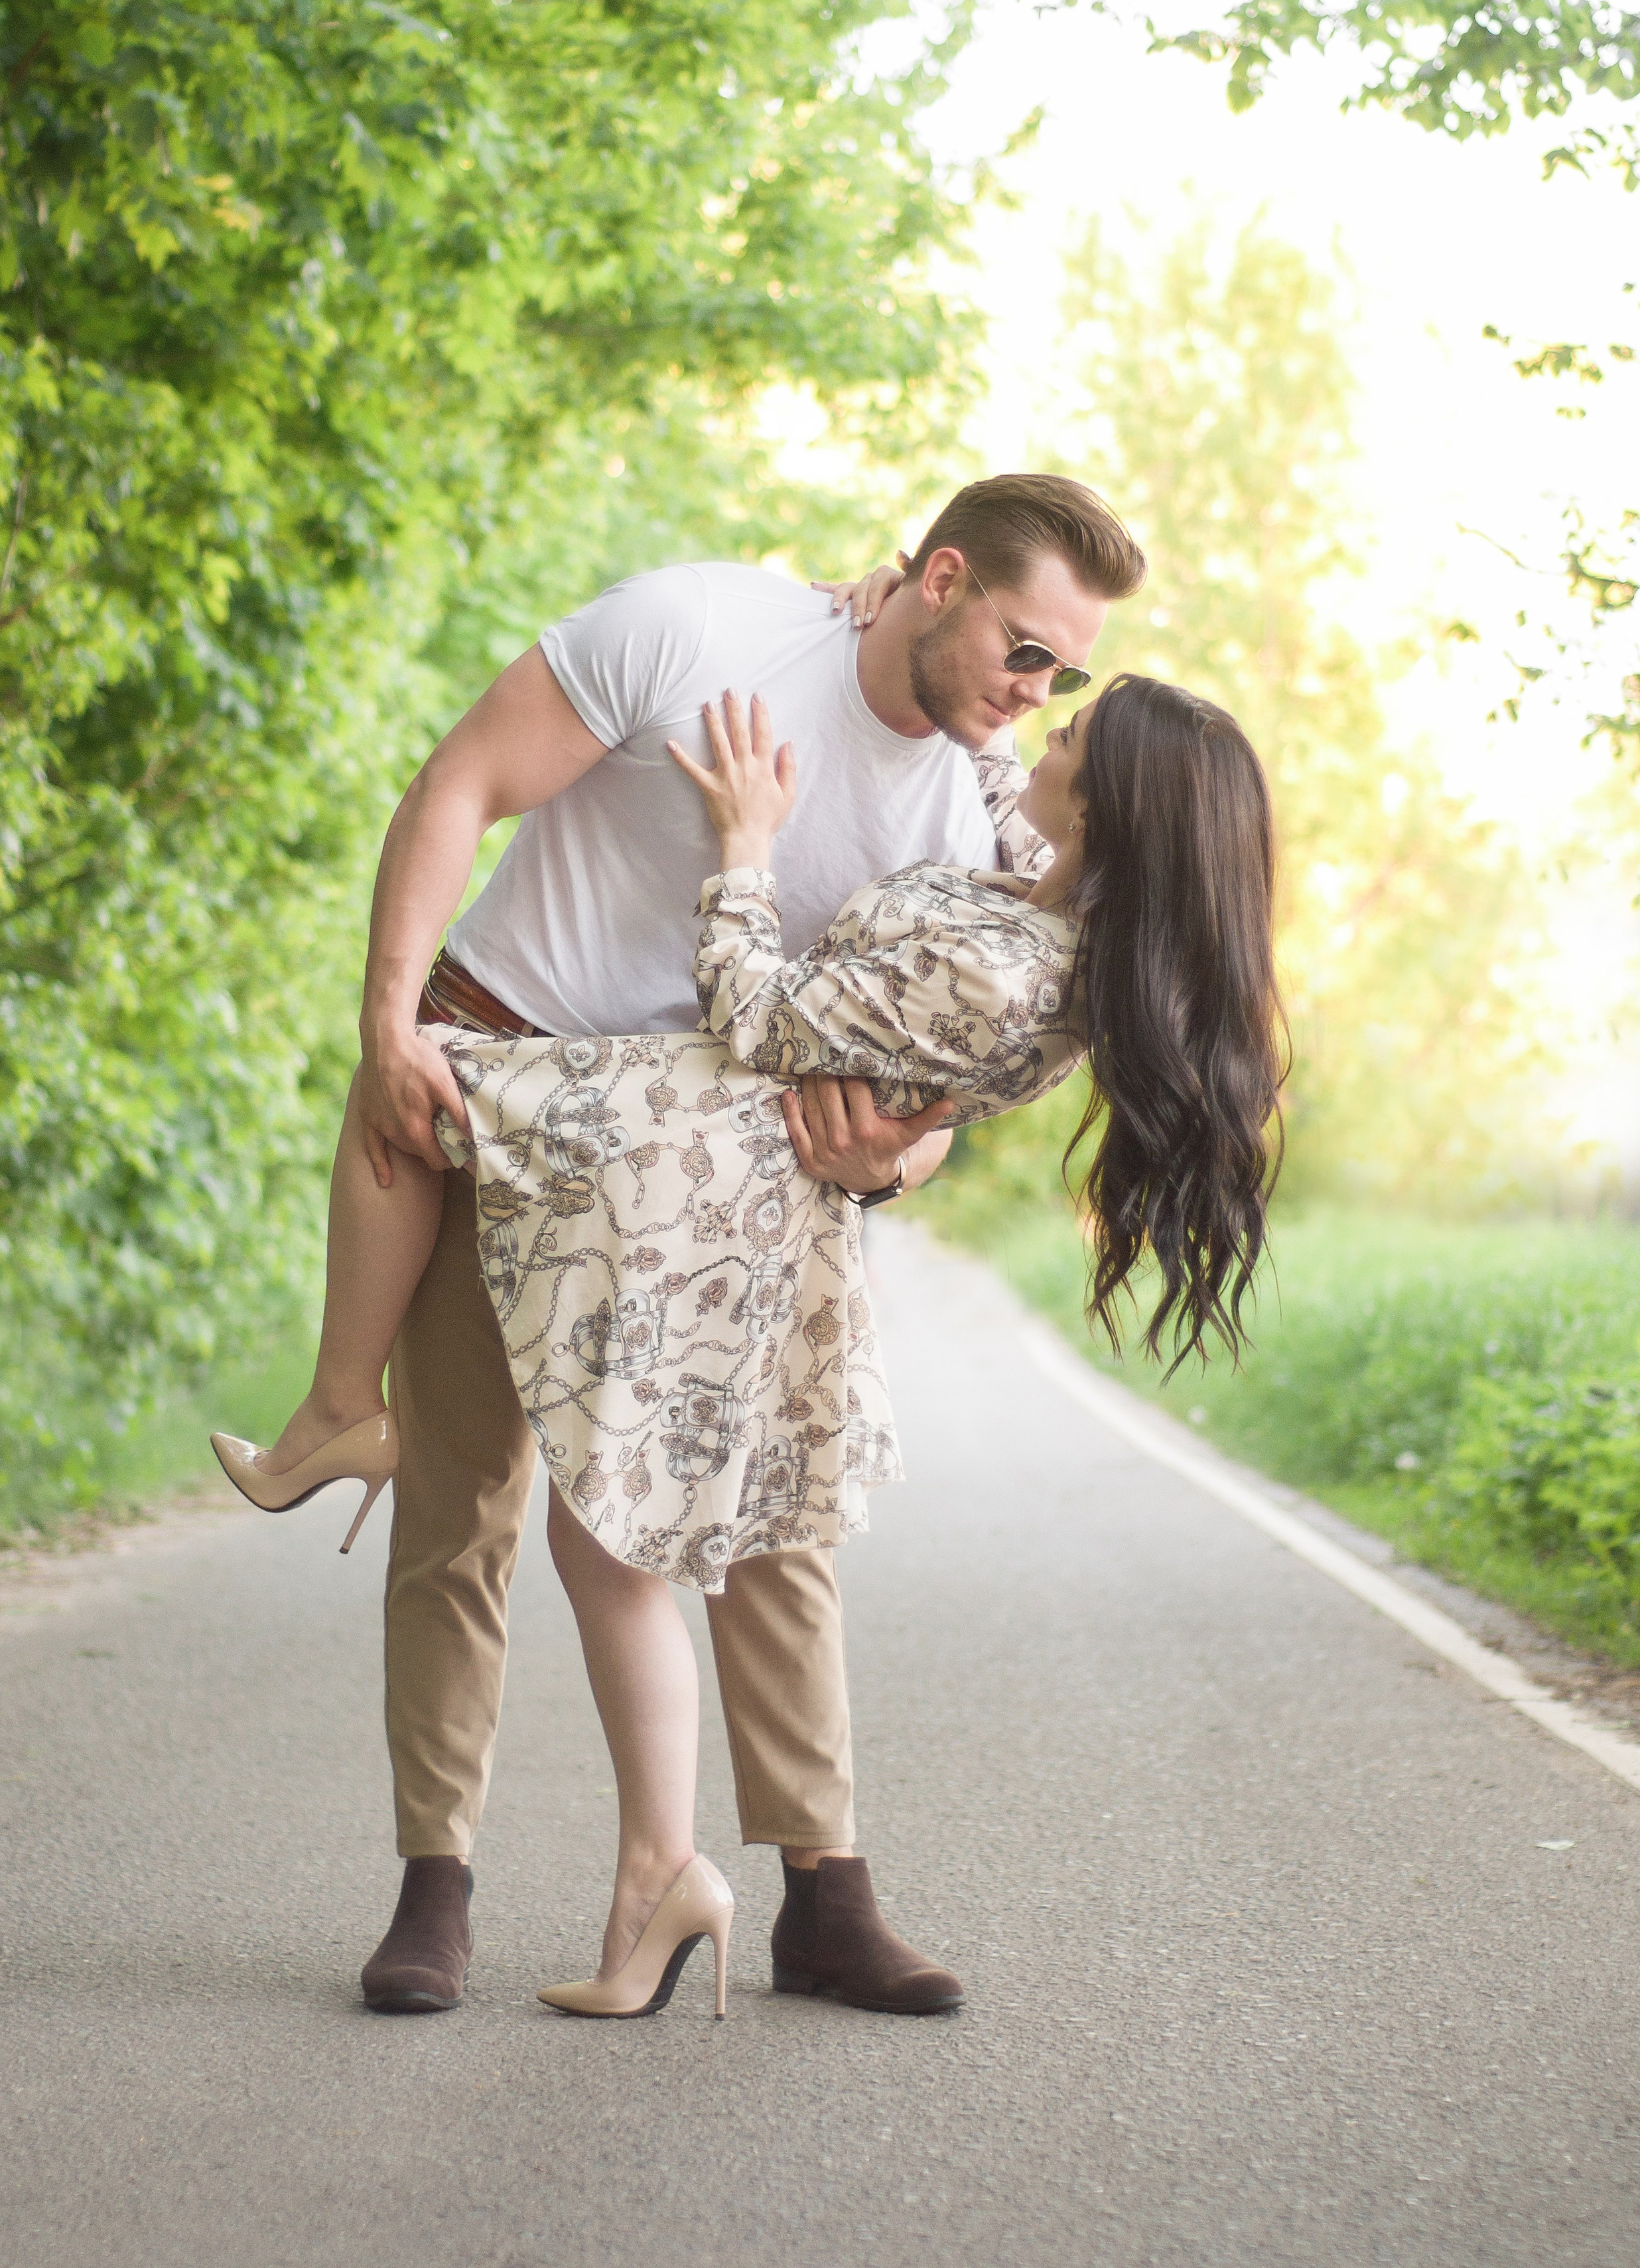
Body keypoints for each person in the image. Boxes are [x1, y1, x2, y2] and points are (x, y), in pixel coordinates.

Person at [216, 666, 1286, 2016]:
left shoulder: (1012, 957)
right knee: (573, 1508)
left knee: (420, 1092)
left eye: (1073, 717)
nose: (1043, 715)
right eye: (1042, 677)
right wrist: (925, 642)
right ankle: (527, 1874)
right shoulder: (1042, 887)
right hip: (708, 1172)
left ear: (1123, 805)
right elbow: (1010, 788)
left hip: (697, 1179)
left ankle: (728, 1880)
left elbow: (763, 1019)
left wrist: (744, 850)